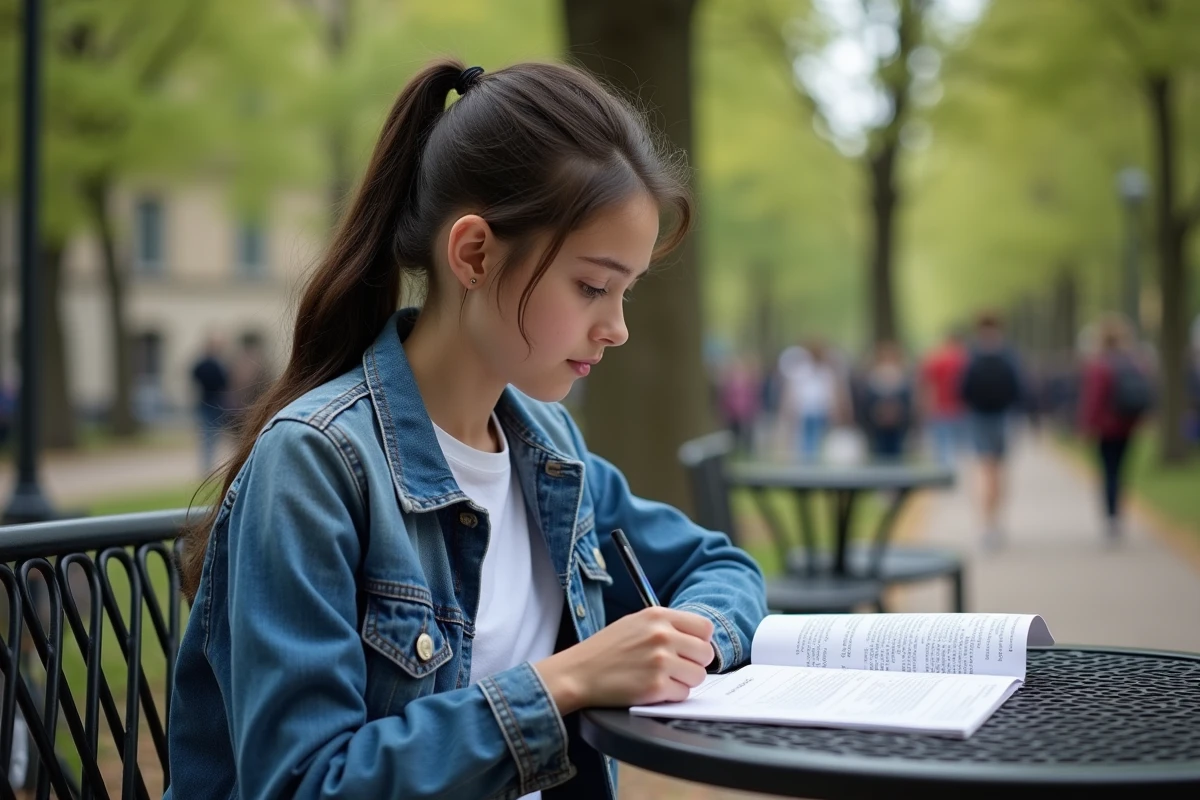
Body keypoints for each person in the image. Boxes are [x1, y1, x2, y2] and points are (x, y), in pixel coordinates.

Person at [164, 61, 767, 800]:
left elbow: (722, 569)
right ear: (475, 253)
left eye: (626, 291)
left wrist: (681, 642)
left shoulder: (549, 452)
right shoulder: (317, 467)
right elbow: (304, 783)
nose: (616, 328)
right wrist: (567, 681)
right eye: (591, 286)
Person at [1079, 314, 1152, 543]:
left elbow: (1094, 399)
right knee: (1121, 471)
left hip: (1105, 427)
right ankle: (1119, 515)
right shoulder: (1133, 362)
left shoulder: (1099, 365)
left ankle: (1111, 517)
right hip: (1127, 424)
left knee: (1108, 471)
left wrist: (1087, 425)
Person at [958, 312, 1025, 550]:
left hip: (978, 417)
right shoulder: (1009, 354)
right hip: (1003, 417)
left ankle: (986, 523)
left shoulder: (972, 355)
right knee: (999, 470)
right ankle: (996, 521)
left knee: (984, 469)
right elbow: (1020, 388)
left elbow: (962, 390)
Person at [780, 339, 843, 462]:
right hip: (805, 411)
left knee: (817, 439)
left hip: (819, 410)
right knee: (804, 439)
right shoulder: (803, 370)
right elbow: (793, 393)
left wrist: (834, 410)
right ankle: (806, 464)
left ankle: (814, 463)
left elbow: (830, 394)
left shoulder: (825, 372)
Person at [919, 328, 968, 466]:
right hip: (961, 409)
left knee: (942, 449)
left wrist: (925, 406)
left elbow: (927, 385)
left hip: (940, 409)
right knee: (961, 449)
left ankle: (945, 477)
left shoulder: (936, 359)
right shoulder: (966, 359)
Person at [859, 340, 914, 461]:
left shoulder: (901, 373)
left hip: (898, 421)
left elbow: (906, 397)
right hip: (877, 420)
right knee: (879, 450)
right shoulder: (873, 374)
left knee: (897, 450)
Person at [190, 335, 229, 473]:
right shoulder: (215, 365)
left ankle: (208, 464)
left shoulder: (204, 364)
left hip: (209, 402)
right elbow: (224, 382)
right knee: (210, 435)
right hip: (211, 402)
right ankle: (207, 465)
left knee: (209, 435)